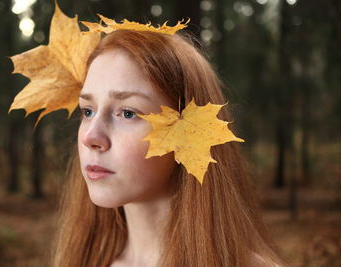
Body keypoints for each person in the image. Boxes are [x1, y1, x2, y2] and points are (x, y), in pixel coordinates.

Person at [48, 29, 287, 267]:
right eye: (87, 111)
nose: (91, 136)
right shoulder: (83, 260)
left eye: (128, 113)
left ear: (189, 132)